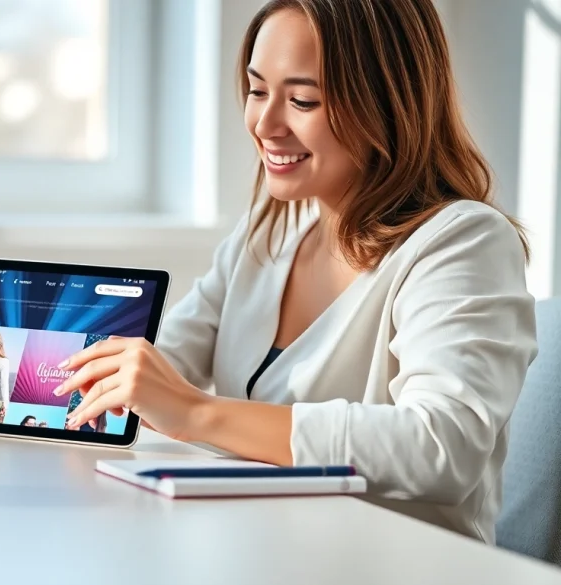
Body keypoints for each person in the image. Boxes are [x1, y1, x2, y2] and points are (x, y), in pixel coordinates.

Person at [55, 0, 537, 544]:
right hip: (257, 549)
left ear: (387, 103)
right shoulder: (272, 229)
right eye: (257, 90)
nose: (264, 124)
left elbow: (441, 447)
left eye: (303, 100)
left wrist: (197, 412)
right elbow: (171, 358)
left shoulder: (463, 241)